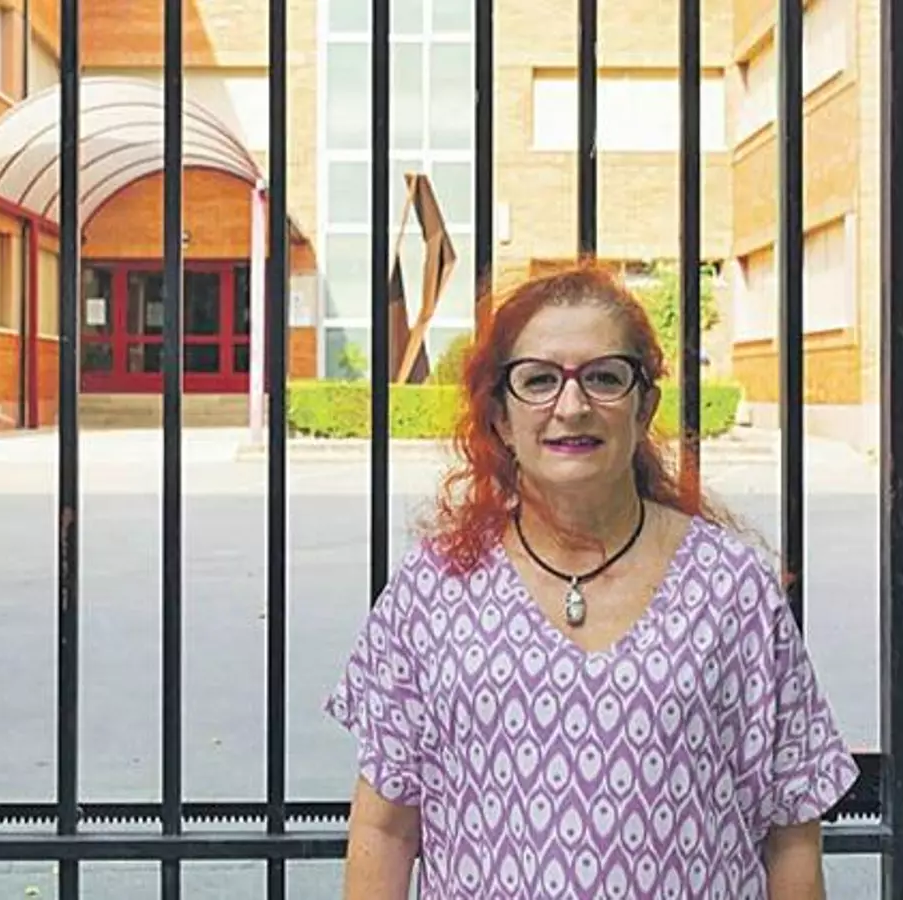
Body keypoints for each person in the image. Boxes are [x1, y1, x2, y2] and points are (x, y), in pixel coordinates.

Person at [323, 261, 859, 899]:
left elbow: (790, 833)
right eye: (539, 380)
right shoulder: (433, 589)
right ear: (500, 416)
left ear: (643, 406)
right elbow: (386, 830)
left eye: (604, 377)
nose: (572, 406)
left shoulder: (731, 589)